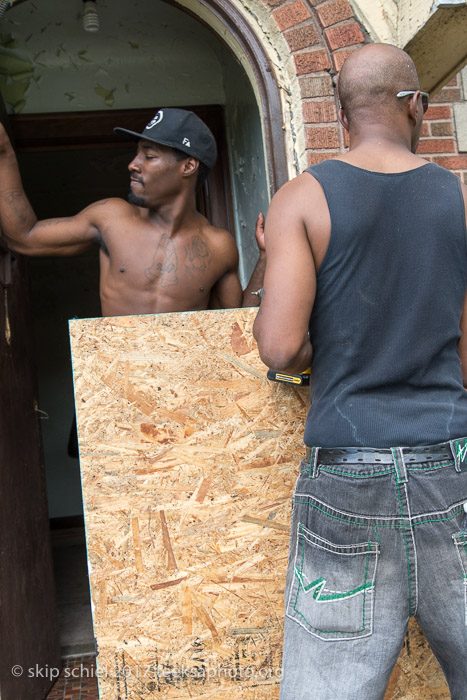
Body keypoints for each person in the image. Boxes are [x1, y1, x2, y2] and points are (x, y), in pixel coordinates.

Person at [253, 43, 467, 699]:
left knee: (330, 685)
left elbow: (280, 349)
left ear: (341, 114)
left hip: (345, 478)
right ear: (417, 107)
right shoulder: (458, 197)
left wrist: (284, 266)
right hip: (449, 468)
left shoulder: (300, 200)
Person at [0, 107, 265, 316]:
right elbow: (25, 237)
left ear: (188, 166)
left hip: (183, 382)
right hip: (116, 380)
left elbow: (235, 328)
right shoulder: (111, 218)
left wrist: (265, 257)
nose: (132, 165)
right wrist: (4, 153)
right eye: (137, 154)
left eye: (149, 157)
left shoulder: (218, 246)